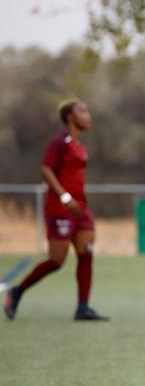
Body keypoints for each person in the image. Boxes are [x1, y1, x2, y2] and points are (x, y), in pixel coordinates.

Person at [3, 99, 109, 321]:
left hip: (81, 210)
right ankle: (17, 291)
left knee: (86, 255)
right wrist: (64, 196)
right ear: (70, 117)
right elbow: (45, 169)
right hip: (60, 209)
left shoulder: (79, 146)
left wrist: (78, 200)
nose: (88, 115)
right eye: (83, 111)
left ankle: (83, 307)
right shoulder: (60, 143)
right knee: (56, 261)